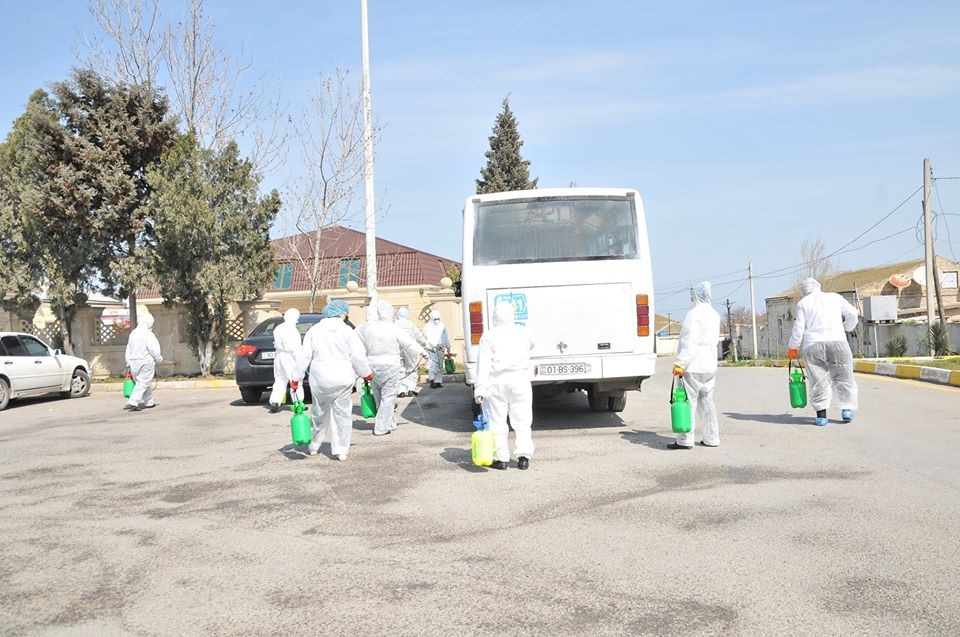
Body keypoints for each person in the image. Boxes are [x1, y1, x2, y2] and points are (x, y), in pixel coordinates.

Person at [293, 300, 373, 461]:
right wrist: (366, 373)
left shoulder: (314, 331)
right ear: (342, 313)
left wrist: (296, 378)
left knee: (319, 413)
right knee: (342, 415)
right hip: (342, 378)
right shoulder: (348, 331)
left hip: (319, 379)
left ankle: (314, 445)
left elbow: (304, 356)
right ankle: (341, 450)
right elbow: (357, 356)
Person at [787, 277, 859, 426]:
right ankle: (847, 410)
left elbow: (799, 328)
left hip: (813, 345)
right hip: (838, 342)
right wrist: (846, 328)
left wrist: (793, 348)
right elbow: (853, 314)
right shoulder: (835, 297)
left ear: (804, 292)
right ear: (818, 287)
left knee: (818, 380)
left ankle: (821, 416)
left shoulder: (803, 303)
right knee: (843, 377)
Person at [474, 301, 534, 470]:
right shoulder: (524, 332)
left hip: (496, 381)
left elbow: (483, 365)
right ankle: (524, 457)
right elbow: (532, 347)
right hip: (520, 379)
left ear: (495, 317)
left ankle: (501, 458)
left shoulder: (489, 336)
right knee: (522, 419)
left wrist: (479, 389)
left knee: (496, 420)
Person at [356, 301, 426, 436]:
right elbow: (409, 343)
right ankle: (381, 428)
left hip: (372, 366)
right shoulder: (393, 328)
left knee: (378, 395)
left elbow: (355, 343)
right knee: (388, 397)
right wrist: (423, 352)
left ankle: (390, 422)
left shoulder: (367, 328)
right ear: (391, 313)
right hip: (391, 366)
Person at [669, 281, 722, 449]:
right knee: (707, 402)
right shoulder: (715, 314)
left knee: (688, 402)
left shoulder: (693, 314)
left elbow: (689, 342)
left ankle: (684, 439)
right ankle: (712, 437)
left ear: (696, 296)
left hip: (693, 365)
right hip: (709, 365)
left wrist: (680, 363)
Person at [124, 313, 163, 411]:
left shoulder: (133, 333)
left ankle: (149, 401)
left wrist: (128, 362)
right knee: (143, 382)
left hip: (133, 362)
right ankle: (133, 401)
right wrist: (158, 358)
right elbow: (153, 349)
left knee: (142, 382)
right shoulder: (147, 333)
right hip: (146, 361)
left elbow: (128, 349)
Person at [268, 308, 304, 413]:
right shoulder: (292, 330)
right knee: (295, 380)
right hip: (290, 357)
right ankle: (298, 403)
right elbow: (295, 348)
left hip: (279, 356)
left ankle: (275, 401)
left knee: (279, 379)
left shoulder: (278, 328)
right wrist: (300, 361)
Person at [394, 307, 429, 398]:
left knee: (400, 369)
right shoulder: (410, 324)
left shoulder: (394, 324)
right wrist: (425, 345)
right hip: (411, 348)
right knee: (412, 368)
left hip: (397, 348)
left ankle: (401, 389)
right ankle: (411, 389)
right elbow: (419, 336)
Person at [423, 309, 451, 388]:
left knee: (440, 365)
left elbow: (445, 336)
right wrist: (431, 345)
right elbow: (426, 338)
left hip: (441, 348)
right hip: (432, 349)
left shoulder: (442, 325)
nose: (437, 321)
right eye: (435, 319)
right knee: (433, 365)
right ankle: (432, 380)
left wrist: (448, 346)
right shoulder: (427, 327)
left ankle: (438, 381)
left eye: (438, 319)